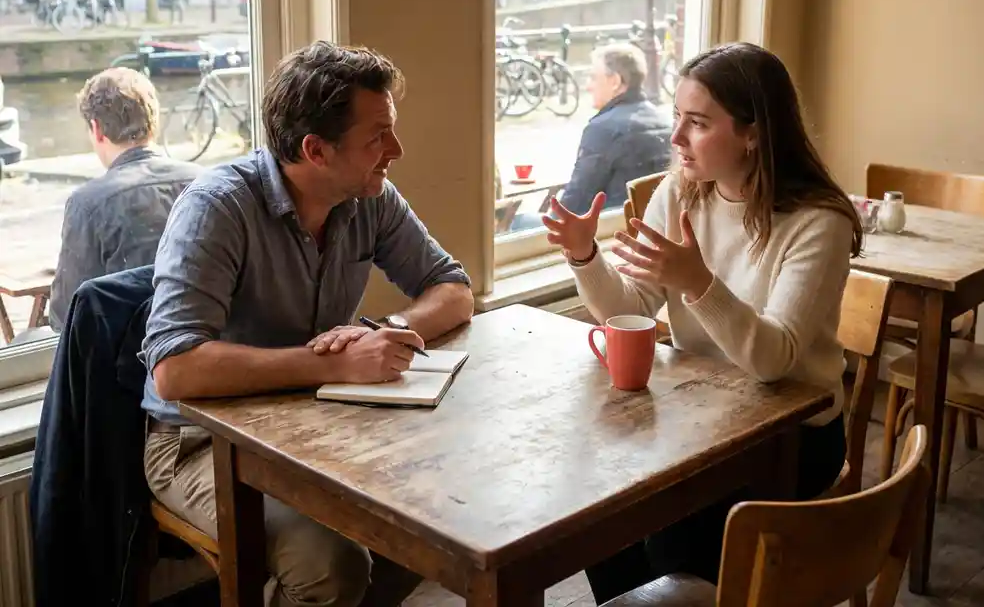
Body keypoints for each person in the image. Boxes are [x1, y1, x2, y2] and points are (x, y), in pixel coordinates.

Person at [140, 42, 474, 607]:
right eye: (377, 137)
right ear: (316, 149)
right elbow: (173, 369)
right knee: (332, 564)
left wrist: (380, 329)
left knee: (445, 515)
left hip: (317, 420)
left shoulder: (369, 196)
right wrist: (332, 363)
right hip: (200, 442)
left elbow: (454, 291)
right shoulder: (216, 208)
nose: (396, 149)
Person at [543, 41, 862, 600]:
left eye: (697, 123)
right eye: (677, 119)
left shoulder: (817, 222)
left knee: (669, 544)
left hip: (793, 436)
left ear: (752, 133)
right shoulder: (681, 191)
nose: (675, 139)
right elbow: (633, 309)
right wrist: (583, 255)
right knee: (595, 518)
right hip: (702, 422)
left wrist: (698, 284)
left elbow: (775, 359)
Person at [49, 68, 199, 333]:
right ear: (155, 121)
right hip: (205, 343)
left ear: (96, 129)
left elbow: (66, 315)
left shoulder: (87, 203)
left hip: (128, 360)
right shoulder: (205, 181)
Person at [510, 43, 672, 231]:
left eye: (594, 78)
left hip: (606, 234)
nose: (588, 86)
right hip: (647, 229)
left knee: (518, 223)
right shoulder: (665, 121)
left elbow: (571, 208)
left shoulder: (603, 129)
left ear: (615, 82)